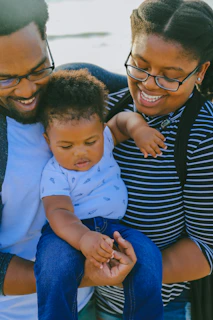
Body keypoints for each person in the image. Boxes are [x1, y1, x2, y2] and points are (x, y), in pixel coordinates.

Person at [0, 1, 138, 319]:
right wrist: (89, 274)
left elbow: (150, 85)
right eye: (7, 78)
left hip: (86, 304)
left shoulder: (78, 89)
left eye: (39, 69)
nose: (28, 89)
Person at [83, 0, 213, 319]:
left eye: (170, 76)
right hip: (95, 303)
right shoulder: (103, 110)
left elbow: (205, 252)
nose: (149, 85)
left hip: (162, 308)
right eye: (140, 65)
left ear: (201, 72)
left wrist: (127, 271)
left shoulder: (204, 136)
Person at [35, 68, 165, 320]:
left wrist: (139, 130)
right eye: (66, 146)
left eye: (90, 142)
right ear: (47, 139)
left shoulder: (105, 138)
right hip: (67, 234)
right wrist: (84, 239)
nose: (80, 153)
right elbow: (58, 212)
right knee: (53, 269)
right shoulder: (54, 172)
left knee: (148, 258)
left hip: (115, 229)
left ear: (102, 130)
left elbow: (124, 120)